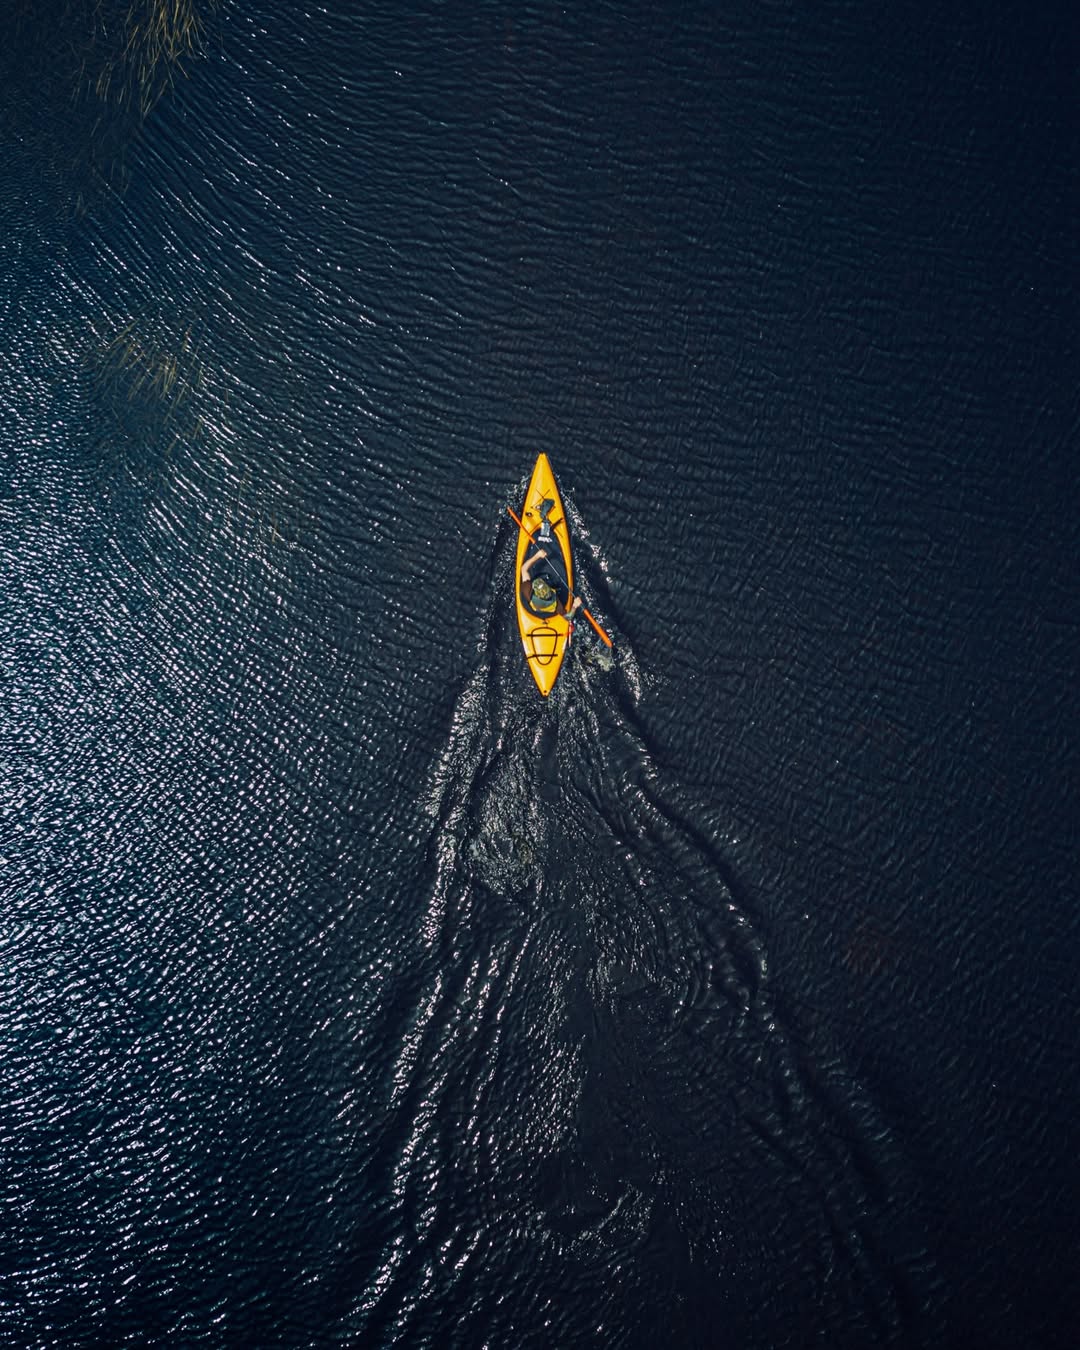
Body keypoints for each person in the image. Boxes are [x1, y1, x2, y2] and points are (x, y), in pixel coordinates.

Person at [520, 547, 583, 623]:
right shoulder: (556, 605)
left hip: (536, 609)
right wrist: (575, 605)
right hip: (548, 609)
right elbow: (568, 617)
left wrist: (537, 556)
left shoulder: (527, 591)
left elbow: (524, 569)